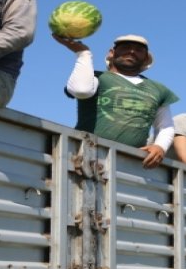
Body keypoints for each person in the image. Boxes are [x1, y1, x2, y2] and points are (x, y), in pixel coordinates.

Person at [56, 33, 178, 168]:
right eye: (125, 47)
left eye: (139, 50)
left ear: (145, 59)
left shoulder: (158, 89)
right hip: (84, 155)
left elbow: (166, 126)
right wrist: (83, 53)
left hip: (130, 163)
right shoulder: (95, 77)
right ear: (112, 53)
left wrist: (160, 146)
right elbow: (81, 90)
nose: (131, 51)